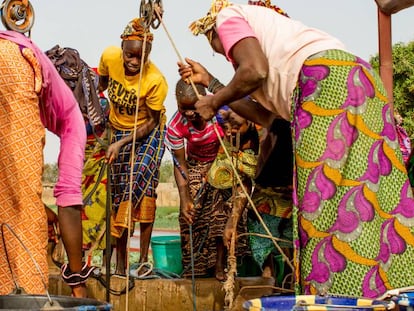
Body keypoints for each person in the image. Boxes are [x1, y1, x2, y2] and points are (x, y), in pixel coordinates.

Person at [178, 0, 414, 298]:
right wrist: (211, 84)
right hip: (362, 80)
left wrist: (213, 102)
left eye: (223, 50)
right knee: (374, 197)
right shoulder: (286, 55)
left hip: (325, 84)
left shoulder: (227, 16)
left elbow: (253, 70)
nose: (229, 56)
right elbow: (265, 116)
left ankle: (329, 298)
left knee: (322, 205)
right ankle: (389, 291)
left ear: (214, 32)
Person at [0, 30, 92, 298]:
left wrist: (43, 210)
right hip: (13, 62)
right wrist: (77, 281)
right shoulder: (74, 121)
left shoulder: (44, 96)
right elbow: (69, 202)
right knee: (28, 221)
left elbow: (12, 185)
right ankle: (27, 294)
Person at [98, 17, 168, 276]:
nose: (134, 62)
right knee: (118, 194)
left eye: (141, 58)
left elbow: (150, 122)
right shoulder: (109, 56)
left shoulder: (155, 81)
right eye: (130, 55)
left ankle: (143, 263)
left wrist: (123, 142)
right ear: (122, 48)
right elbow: (101, 86)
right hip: (117, 128)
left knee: (140, 187)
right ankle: (120, 263)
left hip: (147, 132)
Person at [165, 79, 251, 281]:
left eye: (192, 107)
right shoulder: (176, 126)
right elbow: (180, 165)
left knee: (222, 209)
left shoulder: (221, 111)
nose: (188, 113)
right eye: (182, 108)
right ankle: (195, 267)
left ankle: (220, 264)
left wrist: (218, 169)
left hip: (224, 160)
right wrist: (185, 197)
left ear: (202, 99)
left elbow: (236, 141)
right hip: (194, 166)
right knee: (190, 213)